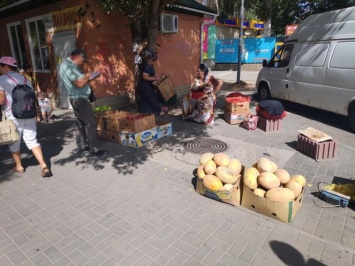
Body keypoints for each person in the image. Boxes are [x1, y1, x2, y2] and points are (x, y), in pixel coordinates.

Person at [0, 56, 51, 177]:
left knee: (14, 142)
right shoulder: (25, 79)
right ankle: (44, 165)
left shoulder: (2, 79)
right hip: (29, 114)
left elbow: (1, 101)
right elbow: (32, 98)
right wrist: (37, 115)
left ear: (6, 67)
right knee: (32, 141)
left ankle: (19, 166)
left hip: (13, 116)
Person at [59, 48, 107, 156]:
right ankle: (94, 149)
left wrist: (91, 77)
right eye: (82, 60)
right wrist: (87, 76)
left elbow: (82, 82)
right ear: (77, 57)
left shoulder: (72, 66)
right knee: (91, 122)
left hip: (78, 98)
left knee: (80, 122)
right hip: (79, 99)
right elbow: (79, 84)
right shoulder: (67, 66)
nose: (82, 62)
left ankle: (81, 145)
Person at [137, 51, 168, 117]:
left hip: (147, 85)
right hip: (145, 86)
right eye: (154, 59)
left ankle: (145, 111)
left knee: (146, 100)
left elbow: (150, 76)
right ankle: (160, 111)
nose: (155, 61)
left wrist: (158, 77)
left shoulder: (149, 65)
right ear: (151, 59)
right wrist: (154, 78)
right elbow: (145, 76)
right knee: (152, 98)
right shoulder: (147, 66)